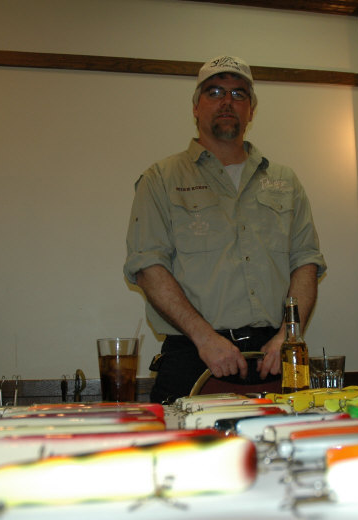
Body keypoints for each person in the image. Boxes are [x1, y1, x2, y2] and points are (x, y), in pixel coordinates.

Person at [124, 55, 327, 403]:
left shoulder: (285, 181)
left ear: (251, 110)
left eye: (238, 94)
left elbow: (305, 263)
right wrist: (205, 338)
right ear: (196, 107)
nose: (227, 101)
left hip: (274, 357)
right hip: (193, 355)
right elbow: (148, 267)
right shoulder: (160, 179)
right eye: (215, 92)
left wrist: (288, 336)